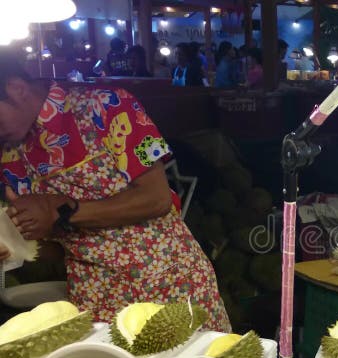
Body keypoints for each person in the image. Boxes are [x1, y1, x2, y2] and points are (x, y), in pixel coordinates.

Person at [0, 48, 231, 331]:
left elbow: (156, 198)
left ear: (16, 88)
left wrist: (60, 210)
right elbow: (57, 245)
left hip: (167, 283)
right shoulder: (9, 153)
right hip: (94, 298)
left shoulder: (111, 104)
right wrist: (14, 244)